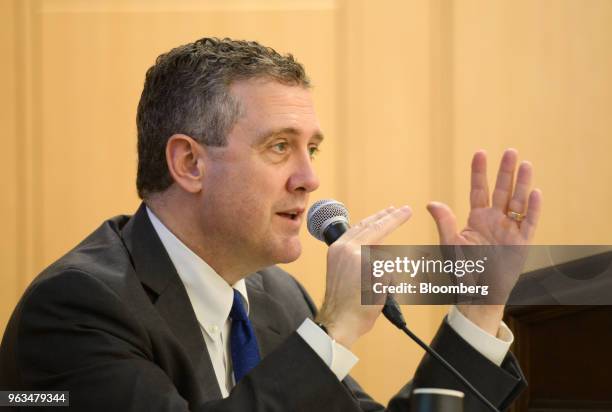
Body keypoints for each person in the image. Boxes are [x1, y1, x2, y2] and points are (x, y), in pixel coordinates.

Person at [0, 37, 541, 411]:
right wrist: (334, 331)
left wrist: (478, 309)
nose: (309, 178)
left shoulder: (278, 298)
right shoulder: (77, 308)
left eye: (312, 149)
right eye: (279, 147)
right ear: (190, 163)